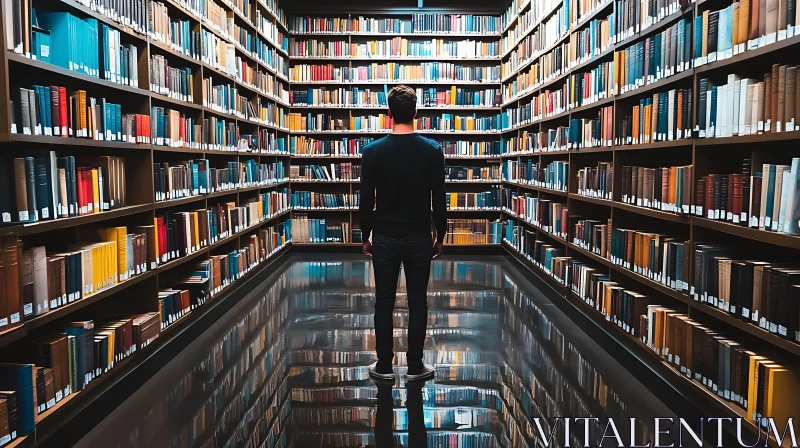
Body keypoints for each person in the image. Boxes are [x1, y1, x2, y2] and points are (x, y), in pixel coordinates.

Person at [359, 85, 447, 382]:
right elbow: (439, 199)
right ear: (416, 113)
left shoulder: (372, 152)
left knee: (383, 301)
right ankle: (415, 365)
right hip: (419, 237)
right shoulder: (432, 151)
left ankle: (384, 364)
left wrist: (365, 235)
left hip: (383, 236)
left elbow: (365, 199)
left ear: (389, 114)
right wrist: (441, 235)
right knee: (418, 300)